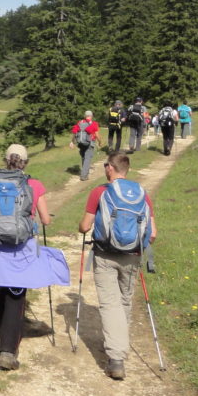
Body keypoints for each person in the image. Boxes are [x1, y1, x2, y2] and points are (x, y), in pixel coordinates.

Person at [0, 144, 70, 371]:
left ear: (6, 161)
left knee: (1, 286)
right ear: (25, 162)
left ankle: (2, 327)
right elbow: (46, 220)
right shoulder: (33, 184)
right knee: (16, 295)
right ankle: (7, 350)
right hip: (22, 247)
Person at [78, 153, 156, 380]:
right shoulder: (142, 194)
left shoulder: (100, 192)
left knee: (110, 304)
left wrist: (82, 227)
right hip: (132, 256)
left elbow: (84, 226)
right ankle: (120, 346)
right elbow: (153, 233)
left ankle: (116, 358)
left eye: (105, 165)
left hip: (105, 254)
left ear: (110, 168)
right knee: (123, 301)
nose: (104, 168)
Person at [69, 110, 100, 181]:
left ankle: (85, 173)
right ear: (91, 116)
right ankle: (83, 176)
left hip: (80, 143)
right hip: (89, 143)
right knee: (87, 159)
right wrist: (100, 142)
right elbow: (97, 135)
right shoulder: (94, 123)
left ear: (85, 116)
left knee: (84, 157)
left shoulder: (80, 123)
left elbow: (74, 132)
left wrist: (72, 142)